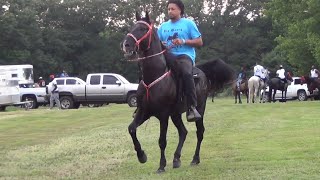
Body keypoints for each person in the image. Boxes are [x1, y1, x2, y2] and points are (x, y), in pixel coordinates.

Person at [157, 0, 203, 122]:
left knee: (187, 73)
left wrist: (183, 41)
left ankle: (192, 107)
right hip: (166, 56)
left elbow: (199, 42)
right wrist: (162, 44)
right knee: (148, 68)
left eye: (173, 9)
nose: (170, 11)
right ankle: (143, 104)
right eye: (168, 9)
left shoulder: (188, 24)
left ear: (180, 10)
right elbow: (156, 44)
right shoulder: (163, 27)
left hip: (184, 56)